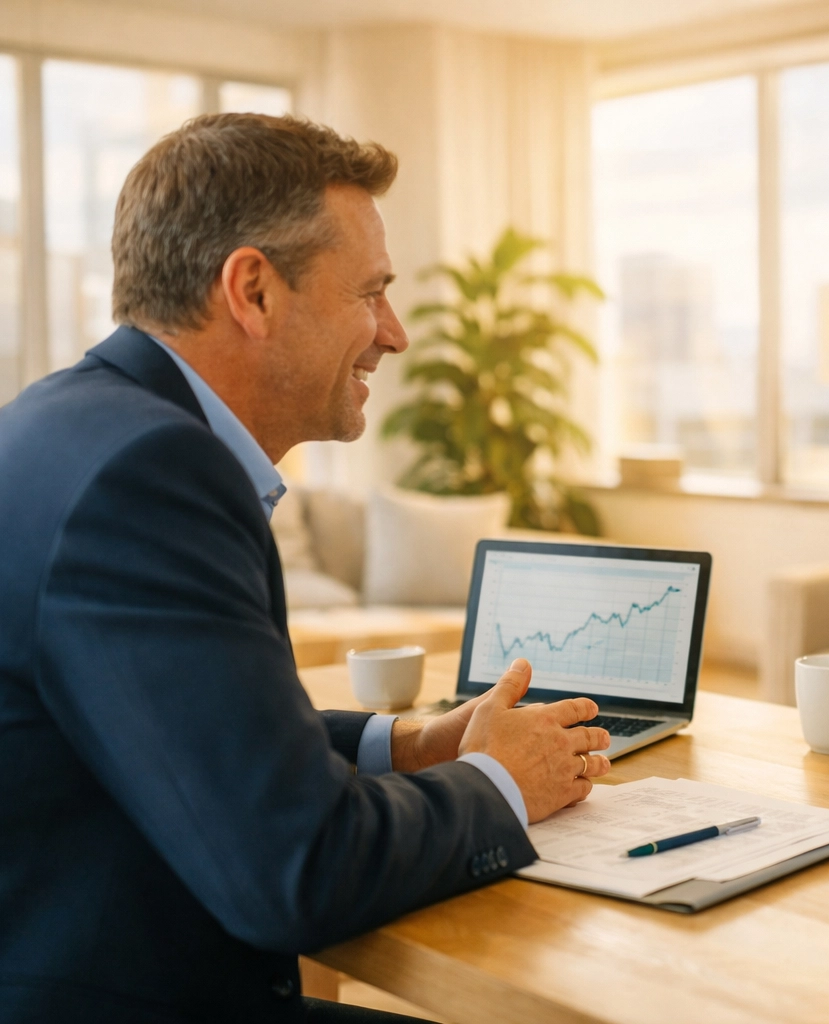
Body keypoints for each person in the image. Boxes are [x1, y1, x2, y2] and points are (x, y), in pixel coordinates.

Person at [0, 114, 612, 1023]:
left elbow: (190, 721)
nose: (394, 335)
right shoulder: (155, 475)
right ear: (252, 290)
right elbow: (301, 871)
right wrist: (499, 783)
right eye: (370, 293)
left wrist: (406, 746)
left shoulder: (63, 422)